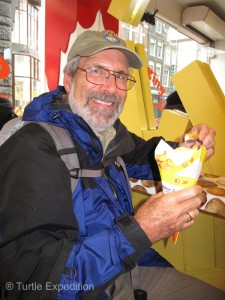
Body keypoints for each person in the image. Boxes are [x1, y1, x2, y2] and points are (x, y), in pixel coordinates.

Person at [0, 30, 224, 300]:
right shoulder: (32, 148)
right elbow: (32, 283)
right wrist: (141, 230)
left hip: (131, 267)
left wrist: (187, 149)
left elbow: (145, 155)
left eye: (120, 76)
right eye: (96, 71)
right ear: (69, 80)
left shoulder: (108, 133)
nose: (110, 88)